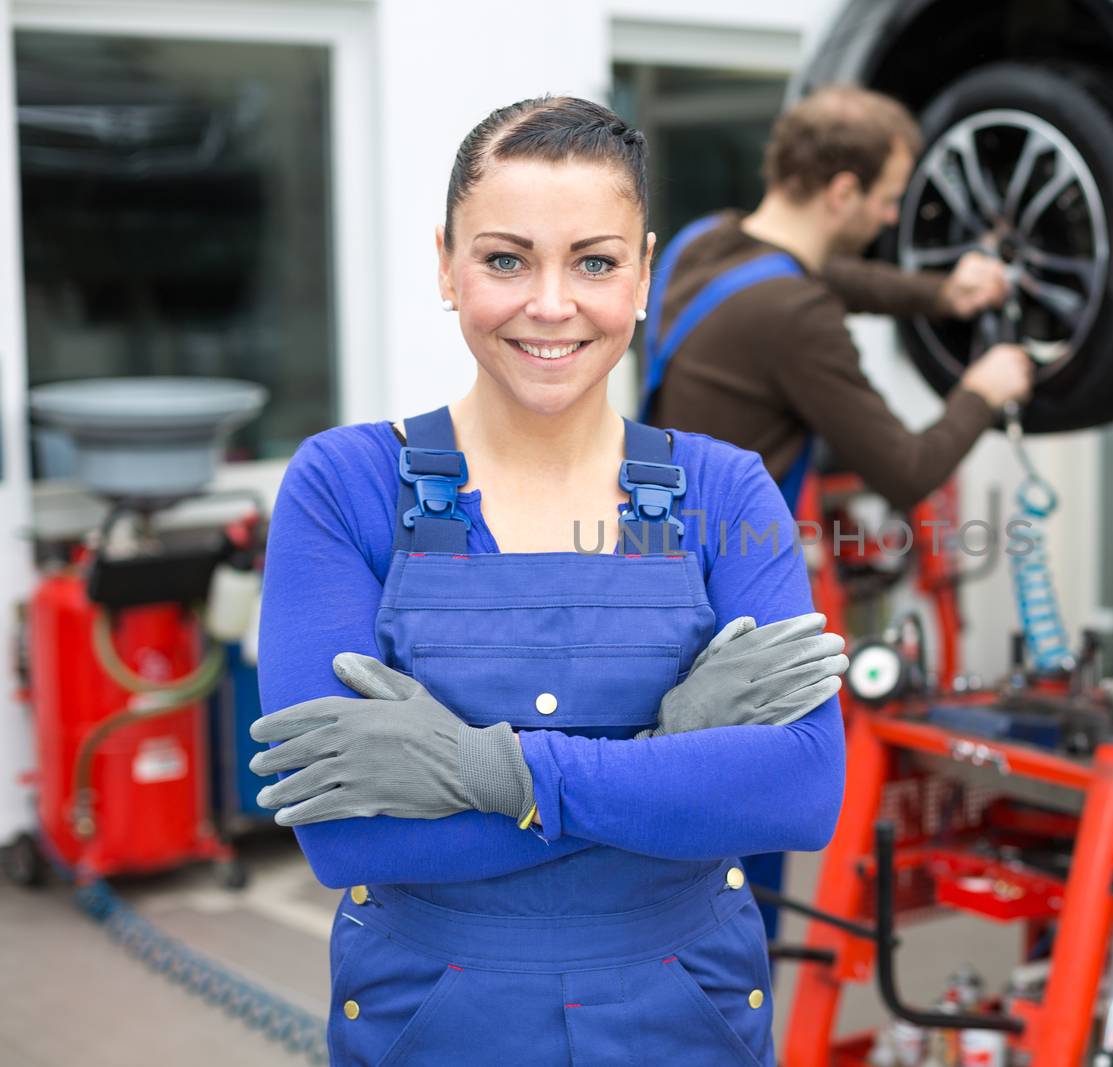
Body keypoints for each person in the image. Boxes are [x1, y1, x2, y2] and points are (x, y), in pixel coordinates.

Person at [251, 97, 847, 1066]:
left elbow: (800, 791)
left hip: (686, 1019)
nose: (552, 302)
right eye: (505, 258)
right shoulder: (342, 485)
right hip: (431, 1025)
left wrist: (499, 773)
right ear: (446, 262)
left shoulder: (724, 489)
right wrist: (671, 755)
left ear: (644, 271)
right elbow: (348, 836)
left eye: (594, 261)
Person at [641, 84, 1035, 514]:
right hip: (724, 569)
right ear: (844, 193)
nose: (892, 217)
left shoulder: (702, 242)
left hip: (656, 536)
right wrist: (982, 392)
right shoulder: (797, 315)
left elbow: (831, 275)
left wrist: (943, 293)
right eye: (888, 199)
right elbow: (908, 472)